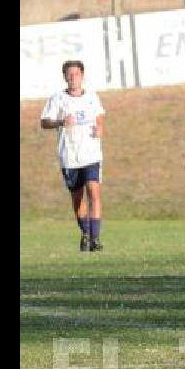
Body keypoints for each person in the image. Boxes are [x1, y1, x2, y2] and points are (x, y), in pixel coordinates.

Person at [40, 60, 107, 251]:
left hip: (91, 153)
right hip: (69, 156)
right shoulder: (57, 99)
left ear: (82, 76)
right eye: (69, 75)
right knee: (78, 199)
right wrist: (61, 121)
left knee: (94, 191)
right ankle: (85, 234)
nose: (73, 78)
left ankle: (95, 239)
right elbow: (44, 122)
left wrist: (100, 126)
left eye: (76, 74)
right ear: (64, 77)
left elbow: (99, 114)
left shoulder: (92, 97)